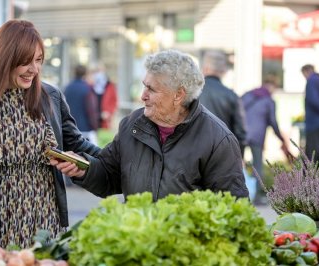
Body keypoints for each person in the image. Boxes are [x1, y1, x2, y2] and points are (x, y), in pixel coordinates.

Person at [0, 19, 100, 260]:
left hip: (46, 227)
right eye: (26, 61)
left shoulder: (51, 97)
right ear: (5, 59)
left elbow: (78, 144)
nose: (34, 69)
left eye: (39, 60)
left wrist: (116, 157)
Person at [51, 49, 249, 201]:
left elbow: (233, 207)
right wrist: (84, 170)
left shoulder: (217, 140)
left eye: (151, 89)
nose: (142, 95)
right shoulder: (132, 125)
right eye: (144, 85)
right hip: (139, 245)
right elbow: (110, 175)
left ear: (178, 95)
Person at [241, 74, 290, 204]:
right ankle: (256, 197)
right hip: (257, 136)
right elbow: (273, 122)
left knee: (236, 165)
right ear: (272, 86)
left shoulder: (247, 95)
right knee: (257, 166)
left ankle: (237, 195)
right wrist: (281, 138)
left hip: (240, 133)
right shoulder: (269, 101)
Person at [199, 50, 247, 156]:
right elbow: (240, 133)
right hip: (222, 155)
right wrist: (239, 157)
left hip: (195, 155)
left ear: (204, 68)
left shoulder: (191, 93)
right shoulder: (232, 96)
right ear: (223, 71)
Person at [64, 64, 99, 145]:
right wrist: (95, 126)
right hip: (85, 130)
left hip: (70, 129)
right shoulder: (87, 89)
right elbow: (91, 110)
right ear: (85, 74)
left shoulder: (67, 88)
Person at [90, 62, 118, 129]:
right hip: (91, 122)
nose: (98, 73)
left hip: (105, 121)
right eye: (96, 71)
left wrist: (109, 113)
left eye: (100, 70)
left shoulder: (110, 86)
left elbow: (114, 101)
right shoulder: (90, 87)